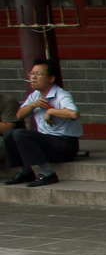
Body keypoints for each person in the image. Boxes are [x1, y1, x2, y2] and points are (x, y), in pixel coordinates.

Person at [5, 59, 82, 187]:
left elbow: (74, 114)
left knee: (21, 134)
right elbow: (18, 116)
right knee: (10, 133)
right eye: (32, 74)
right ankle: (26, 171)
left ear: (51, 79)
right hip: (47, 142)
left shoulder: (61, 95)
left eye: (39, 74)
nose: (33, 77)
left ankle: (48, 174)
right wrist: (32, 105)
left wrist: (51, 111)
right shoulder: (35, 95)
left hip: (65, 145)